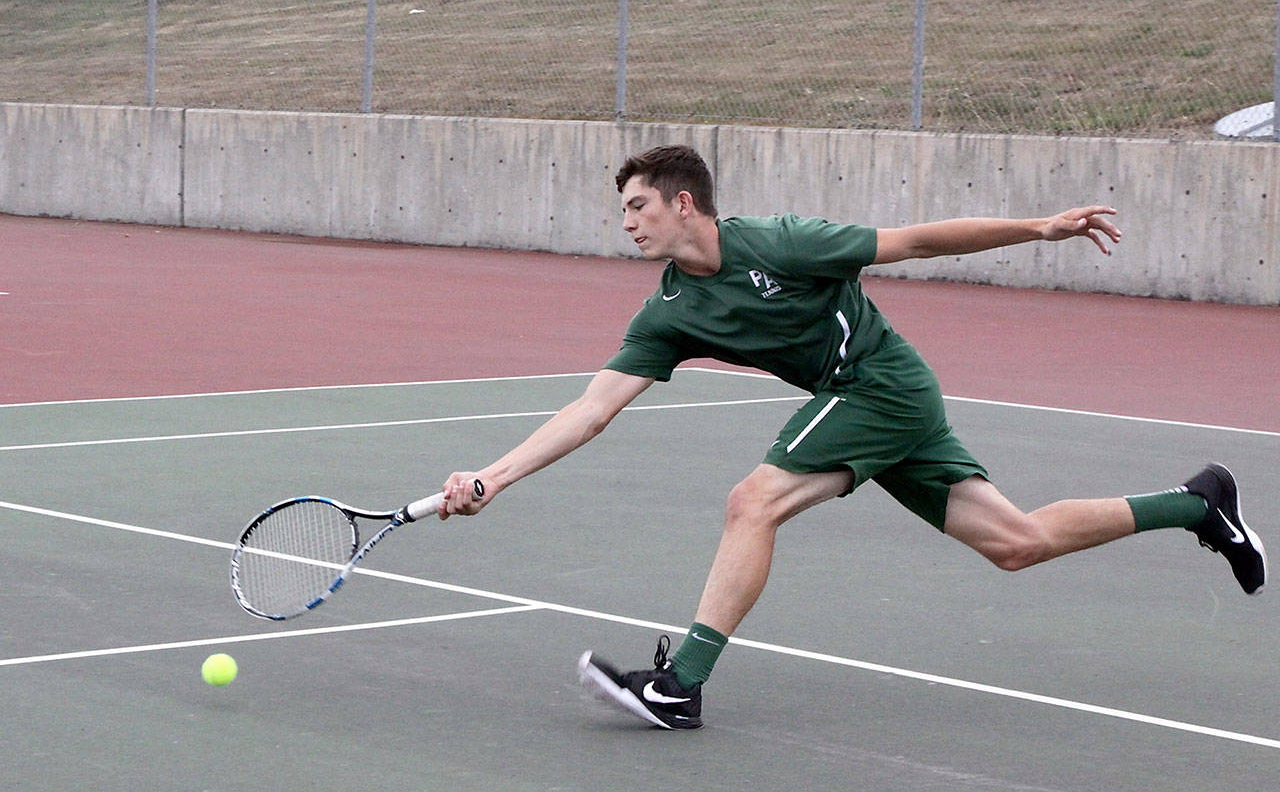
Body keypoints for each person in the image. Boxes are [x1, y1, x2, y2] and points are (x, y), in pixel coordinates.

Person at [435, 144, 1267, 730]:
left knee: (751, 501)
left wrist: (1039, 229)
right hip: (874, 403)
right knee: (1018, 542)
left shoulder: (781, 243)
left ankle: (680, 686)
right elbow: (591, 409)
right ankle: (1198, 503)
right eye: (623, 210)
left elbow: (913, 241)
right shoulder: (668, 311)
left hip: (880, 384)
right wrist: (493, 478)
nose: (627, 222)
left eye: (638, 205)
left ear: (683, 201)